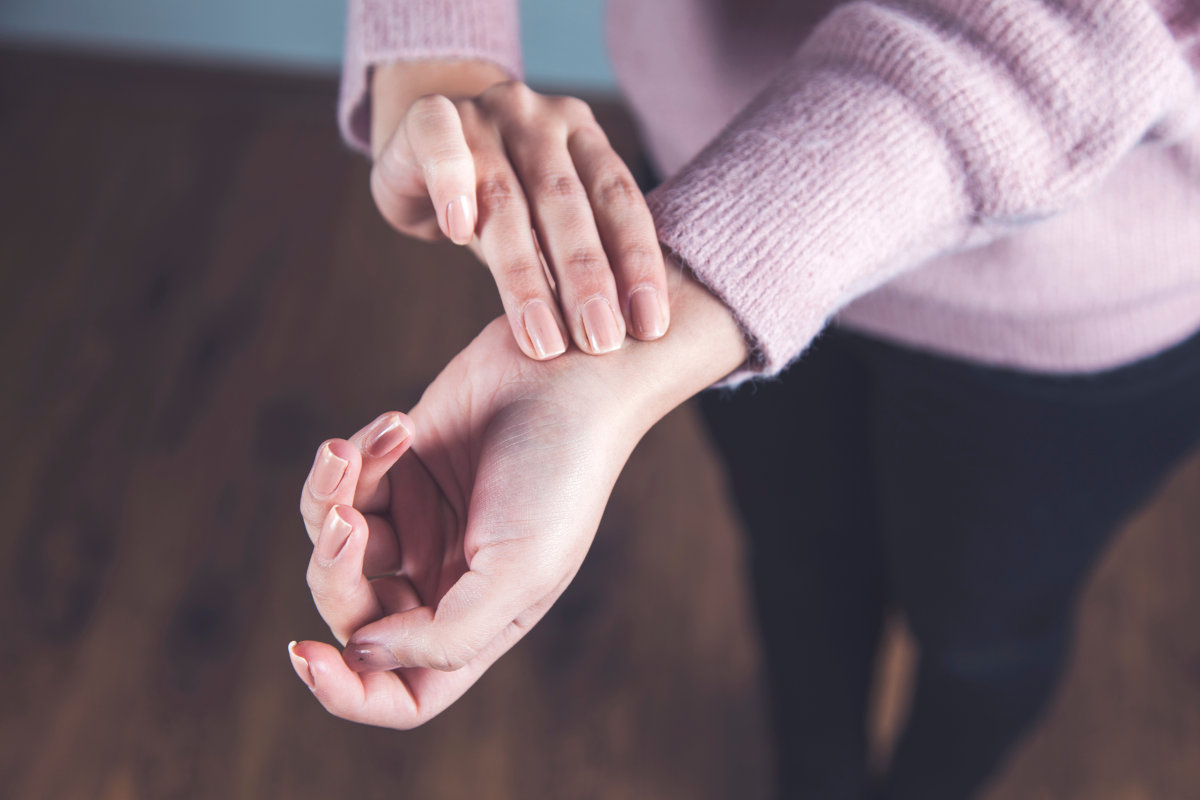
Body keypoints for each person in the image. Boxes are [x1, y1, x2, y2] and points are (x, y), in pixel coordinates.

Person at [289, 1, 1200, 796]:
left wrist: (637, 348)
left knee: (982, 636)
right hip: (704, 172)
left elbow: (1073, 25)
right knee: (797, 562)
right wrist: (438, 52)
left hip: (1076, 305)